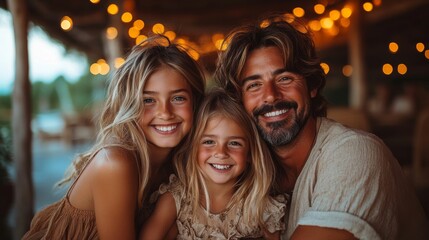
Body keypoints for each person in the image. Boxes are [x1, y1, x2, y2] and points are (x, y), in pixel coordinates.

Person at [214, 15, 429, 240]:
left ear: (312, 85)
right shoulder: (246, 166)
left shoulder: (355, 153)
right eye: (254, 85)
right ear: (240, 102)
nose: (270, 95)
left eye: (285, 79)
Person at [23, 35, 205, 240]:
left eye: (178, 98)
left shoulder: (178, 166)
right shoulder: (115, 163)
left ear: (196, 103)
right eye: (148, 100)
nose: (165, 112)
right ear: (129, 106)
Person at [139, 88, 286, 240]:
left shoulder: (260, 206)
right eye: (209, 142)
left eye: (235, 143)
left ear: (249, 154)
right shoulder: (176, 201)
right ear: (193, 148)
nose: (221, 153)